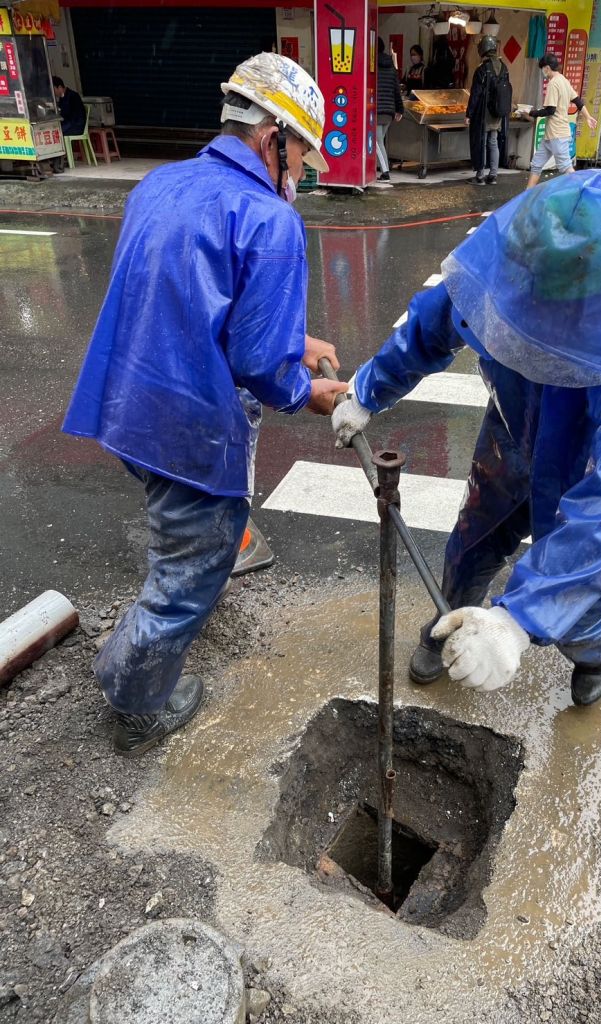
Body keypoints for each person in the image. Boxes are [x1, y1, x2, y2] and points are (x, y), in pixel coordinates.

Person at [332, 170, 601, 706]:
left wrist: (519, 621)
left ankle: (595, 651)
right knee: (472, 540)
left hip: (594, 464)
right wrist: (367, 389)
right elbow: (442, 314)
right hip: (514, 427)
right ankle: (450, 622)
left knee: (585, 594)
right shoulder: (517, 262)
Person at [62, 53, 348, 757]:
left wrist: (294, 337)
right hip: (190, 423)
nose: (307, 169)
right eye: (304, 150)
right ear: (272, 136)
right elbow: (257, 362)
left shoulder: (162, 184)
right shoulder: (268, 219)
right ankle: (136, 699)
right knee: (194, 564)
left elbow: (196, 298)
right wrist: (302, 389)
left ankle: (146, 643)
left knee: (180, 537)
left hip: (130, 404)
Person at [524, 53, 597, 188]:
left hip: (557, 134)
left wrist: (531, 112)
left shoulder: (553, 83)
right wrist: (588, 117)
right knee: (536, 164)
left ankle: (583, 190)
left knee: (566, 167)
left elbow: (550, 110)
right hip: (550, 135)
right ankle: (528, 193)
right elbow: (578, 101)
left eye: (542, 69)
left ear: (546, 68)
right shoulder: (563, 79)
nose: (543, 72)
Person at [466, 35, 510, 185]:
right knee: (493, 142)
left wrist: (469, 113)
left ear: (482, 49)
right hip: (498, 113)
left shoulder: (482, 69)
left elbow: (476, 93)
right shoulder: (504, 67)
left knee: (481, 142)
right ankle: (493, 175)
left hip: (483, 113)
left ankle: (480, 176)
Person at [376, 37, 404, 181]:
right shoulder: (391, 66)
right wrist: (400, 110)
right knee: (380, 141)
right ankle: (380, 168)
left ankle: (385, 172)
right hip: (389, 111)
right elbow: (396, 90)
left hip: (377, 110)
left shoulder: (372, 65)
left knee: (376, 142)